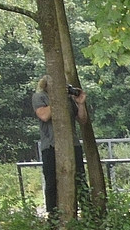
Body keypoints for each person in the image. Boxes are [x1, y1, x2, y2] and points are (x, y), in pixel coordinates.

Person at [32, 75, 88, 217]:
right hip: (50, 146)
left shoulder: (68, 98)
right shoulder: (39, 97)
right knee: (51, 182)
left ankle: (88, 212)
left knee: (80, 179)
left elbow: (82, 120)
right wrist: (58, 98)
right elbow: (44, 116)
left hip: (72, 144)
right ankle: (53, 216)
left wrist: (80, 103)